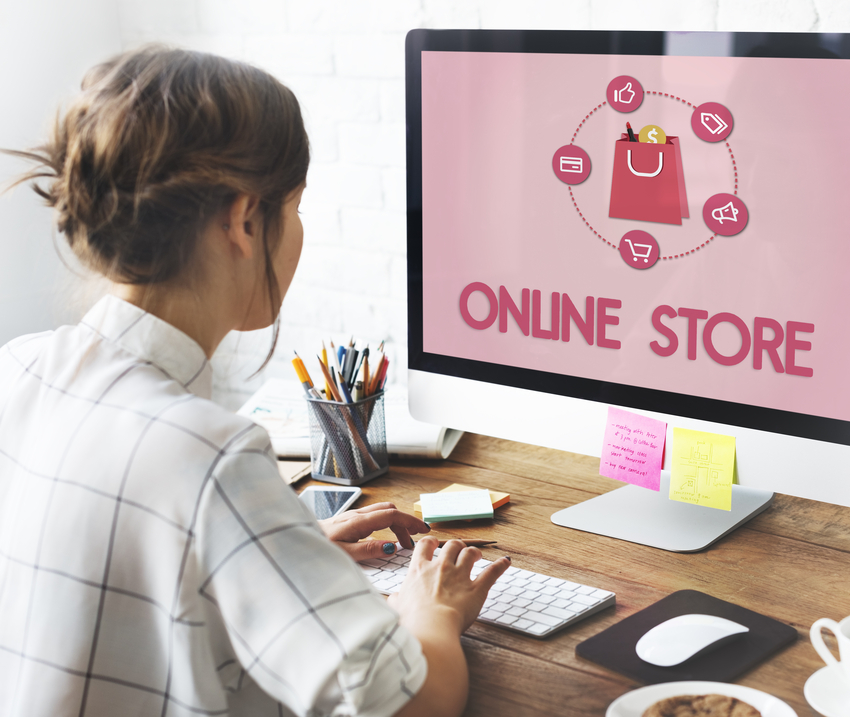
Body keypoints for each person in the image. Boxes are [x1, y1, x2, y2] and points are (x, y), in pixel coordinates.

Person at [0, 46, 508, 717]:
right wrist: (429, 608)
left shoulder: (18, 367)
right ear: (243, 220)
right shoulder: (210, 454)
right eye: (293, 207)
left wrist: (274, 548)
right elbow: (412, 702)